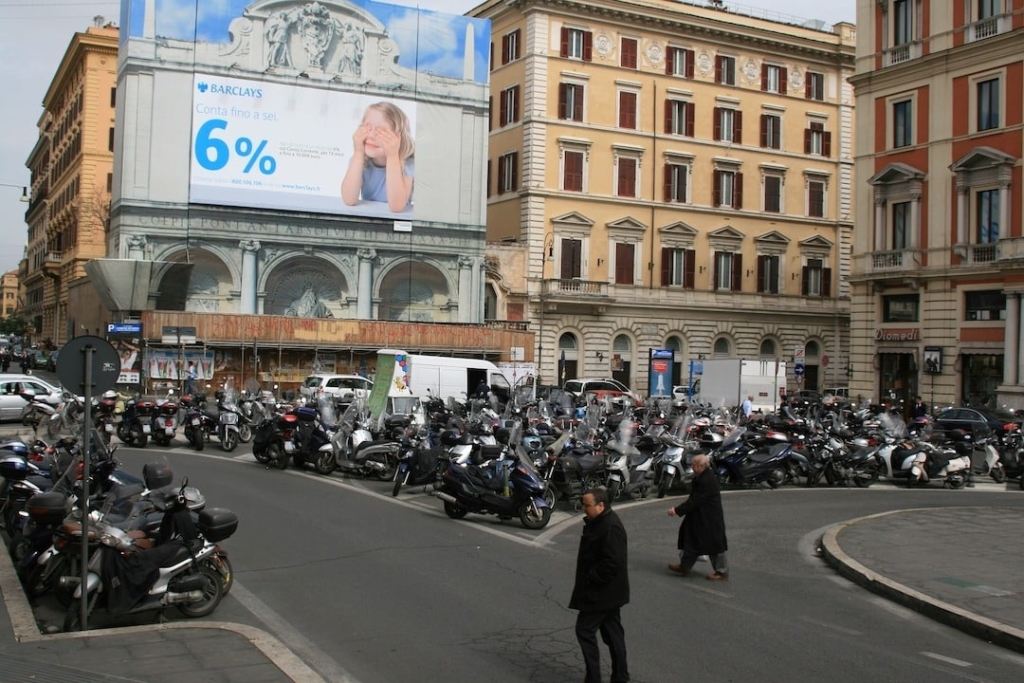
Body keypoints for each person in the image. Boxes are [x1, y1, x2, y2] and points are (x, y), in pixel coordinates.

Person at [570, 488, 630, 683]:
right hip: (609, 593)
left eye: (587, 505)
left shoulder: (610, 527)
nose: (584, 509)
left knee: (585, 630)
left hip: (601, 594)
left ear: (601, 505)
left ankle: (594, 678)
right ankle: (620, 676)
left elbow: (612, 563)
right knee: (613, 635)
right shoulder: (600, 522)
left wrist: (592, 578)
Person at [340, 102, 415, 213]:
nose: (372, 135)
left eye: (382, 131)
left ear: (400, 139)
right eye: (367, 127)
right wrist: (358, 152)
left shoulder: (407, 165)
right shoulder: (359, 161)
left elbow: (397, 207)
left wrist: (392, 155)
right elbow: (349, 200)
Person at [667, 453, 728, 580]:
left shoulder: (706, 480)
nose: (692, 467)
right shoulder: (703, 476)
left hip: (709, 518)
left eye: (694, 465)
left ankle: (721, 572)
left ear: (701, 466)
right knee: (692, 540)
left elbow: (695, 500)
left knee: (714, 544)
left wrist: (677, 510)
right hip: (701, 516)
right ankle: (685, 566)